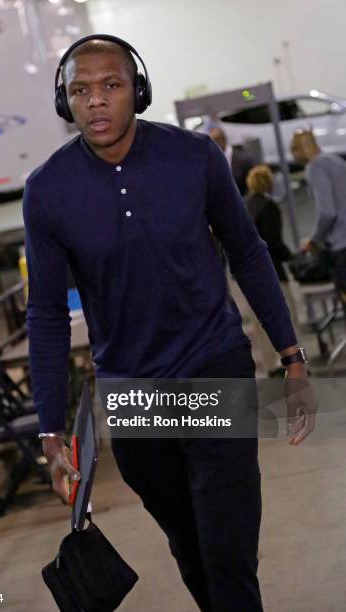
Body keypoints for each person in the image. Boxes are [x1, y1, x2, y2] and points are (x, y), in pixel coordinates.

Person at [23, 34, 316, 612]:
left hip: (213, 365)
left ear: (139, 91)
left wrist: (292, 357)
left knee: (227, 548)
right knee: (189, 547)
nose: (97, 102)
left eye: (111, 85)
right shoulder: (47, 192)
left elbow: (249, 252)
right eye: (81, 90)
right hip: (132, 391)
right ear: (66, 103)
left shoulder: (195, 157)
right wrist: (50, 431)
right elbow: (47, 313)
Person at [244, 165, 298, 375]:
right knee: (286, 316)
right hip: (272, 271)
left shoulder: (243, 204)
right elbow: (274, 242)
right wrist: (292, 257)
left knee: (259, 323)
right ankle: (291, 363)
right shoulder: (270, 207)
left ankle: (269, 365)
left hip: (247, 276)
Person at [291, 129, 346, 307]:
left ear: (304, 148)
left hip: (342, 246)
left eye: (295, 150)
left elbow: (328, 212)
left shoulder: (315, 168)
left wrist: (314, 241)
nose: (294, 156)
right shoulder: (336, 161)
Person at [209, 125, 255, 195]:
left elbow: (252, 187)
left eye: (213, 143)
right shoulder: (212, 162)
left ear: (222, 141)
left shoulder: (244, 160)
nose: (210, 148)